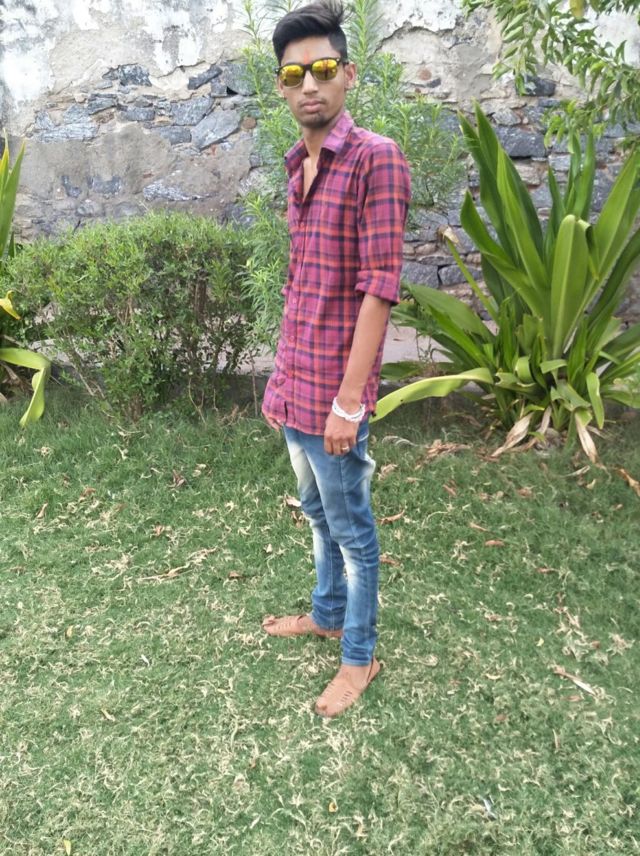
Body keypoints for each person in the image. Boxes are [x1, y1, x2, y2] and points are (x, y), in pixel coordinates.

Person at [261, 0, 411, 718]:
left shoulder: (376, 158)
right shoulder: (299, 164)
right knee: (318, 512)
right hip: (297, 385)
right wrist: (280, 384)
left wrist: (349, 403)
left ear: (348, 74)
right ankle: (326, 614)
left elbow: (379, 289)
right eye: (295, 75)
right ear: (282, 87)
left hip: (335, 397)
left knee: (352, 530)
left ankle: (360, 654)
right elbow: (304, 286)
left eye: (323, 69)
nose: (309, 85)